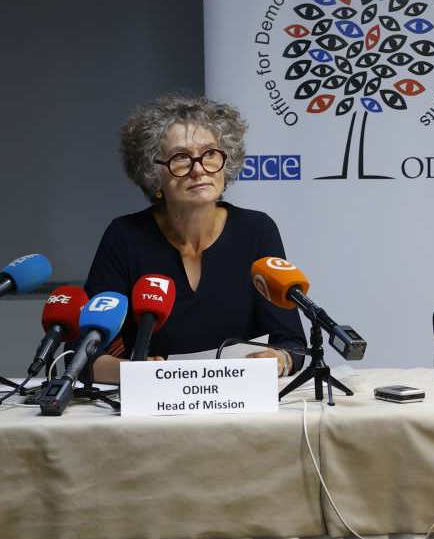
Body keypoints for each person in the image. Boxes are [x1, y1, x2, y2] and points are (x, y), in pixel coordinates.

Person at [84, 93, 306, 381]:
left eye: (210, 153)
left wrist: (280, 360)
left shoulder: (257, 230)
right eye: (180, 158)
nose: (199, 168)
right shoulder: (125, 237)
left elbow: (292, 344)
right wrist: (133, 371)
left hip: (241, 406)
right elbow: (84, 358)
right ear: (154, 173)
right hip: (155, 408)